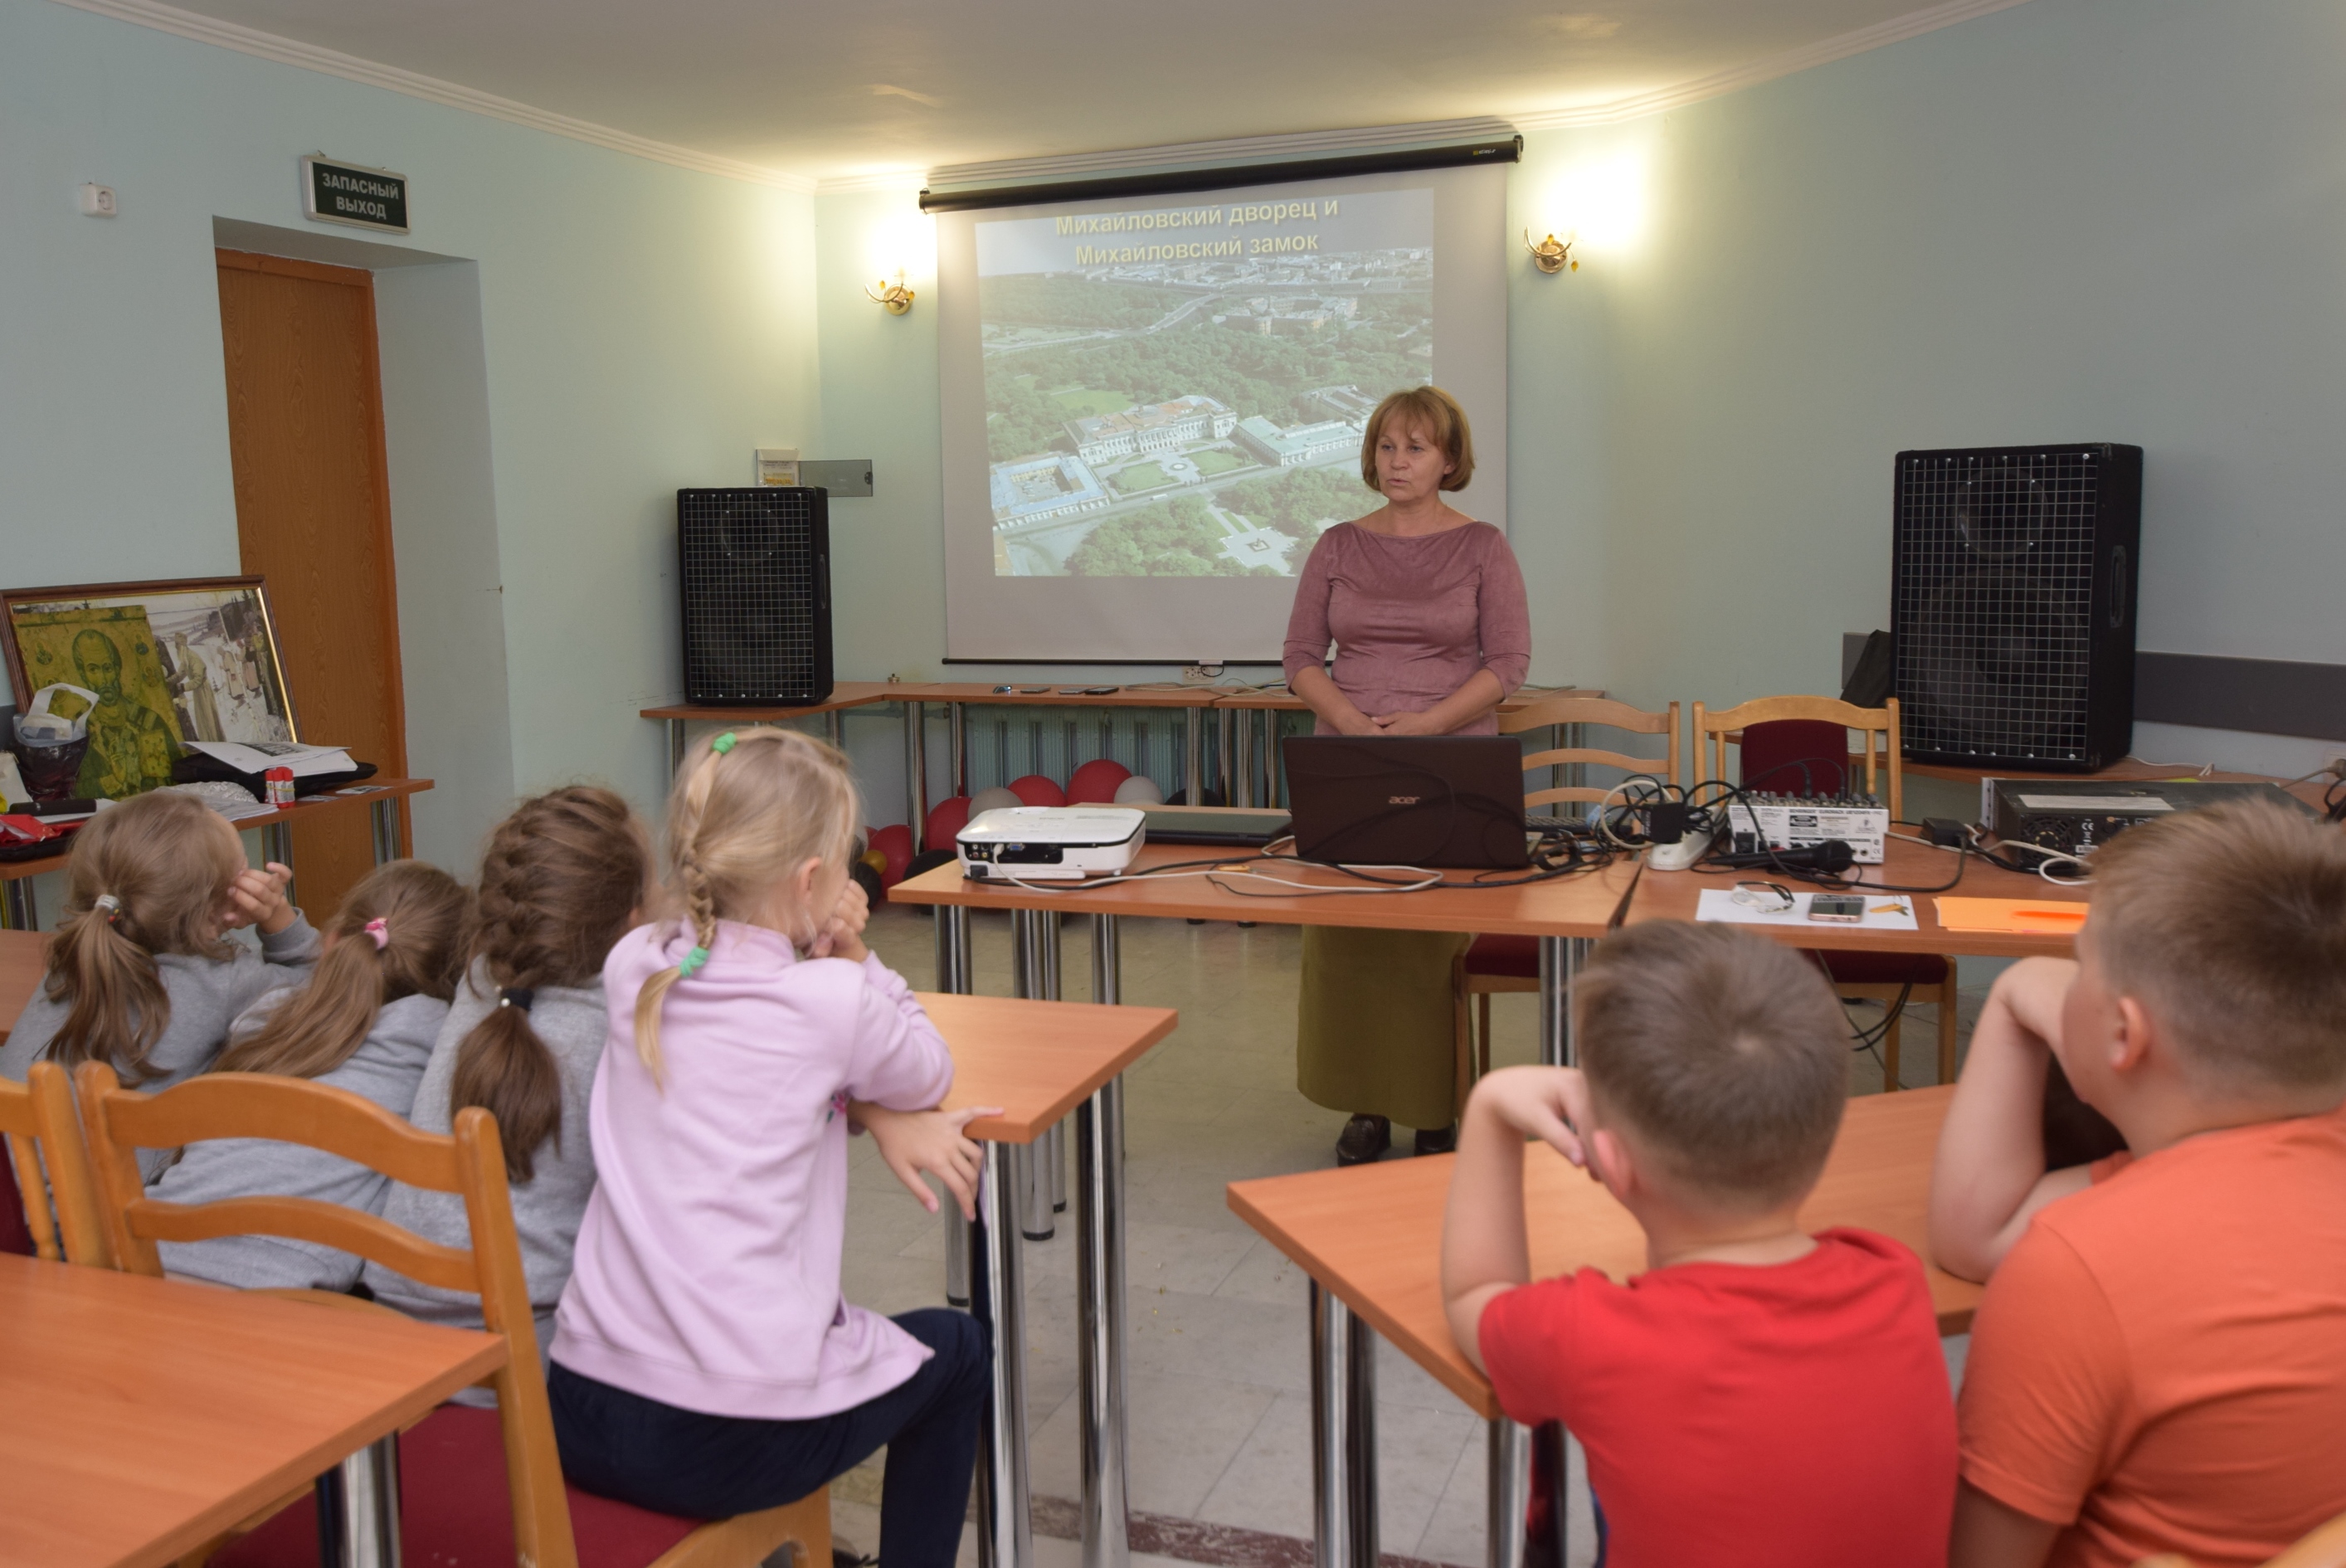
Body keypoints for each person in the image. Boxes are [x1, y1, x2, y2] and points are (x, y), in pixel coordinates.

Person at [548, 728, 990, 1567]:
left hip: (579, 1405)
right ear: (811, 879)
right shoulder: (832, 1000)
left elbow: (734, 1023)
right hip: (720, 1439)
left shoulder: (635, 965)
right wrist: (856, 955)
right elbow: (926, 1070)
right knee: (960, 1352)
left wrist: (808, 949)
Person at [1443, 921, 1957, 1567]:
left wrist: (1490, 1108)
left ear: (1608, 1163)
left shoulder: (1592, 1335)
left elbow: (1474, 1294)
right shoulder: (1894, 1278)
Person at [1930, 800, 2346, 1568]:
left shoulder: (2076, 1270)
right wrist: (2023, 988)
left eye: (2078, 962)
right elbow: (1976, 1236)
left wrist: (2014, 996)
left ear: (2124, 1034)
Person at [1281, 385, 1531, 1163]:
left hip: (1449, 761)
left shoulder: (1483, 546)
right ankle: (1365, 1104)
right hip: (1347, 761)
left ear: (1448, 460)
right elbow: (1300, 658)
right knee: (1353, 937)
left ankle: (1433, 1106)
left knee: (1428, 946)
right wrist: (1352, 723)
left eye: (1415, 448)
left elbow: (1509, 663)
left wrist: (1430, 724)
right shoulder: (1336, 545)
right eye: (1386, 447)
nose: (1398, 461)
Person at [364, 786, 652, 1360]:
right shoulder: (627, 1025)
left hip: (395, 1319)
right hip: (527, 1344)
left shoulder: (478, 984)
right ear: (633, 921)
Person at [153, 859, 470, 1290]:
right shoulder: (436, 1055)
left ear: (333, 940)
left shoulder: (266, 1017)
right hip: (279, 1297)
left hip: (151, 1261)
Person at [1, 790, 313, 1177]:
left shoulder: (71, 960)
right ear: (220, 906)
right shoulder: (223, 981)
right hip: (103, 1211)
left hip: (19, 1199)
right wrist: (278, 917)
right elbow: (323, 996)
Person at [69, 626, 183, 798]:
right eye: (93, 669)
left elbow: (178, 778)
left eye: (108, 668)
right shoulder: (79, 730)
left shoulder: (150, 721)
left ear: (117, 669)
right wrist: (113, 780)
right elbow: (74, 791)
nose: (103, 679)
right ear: (83, 674)